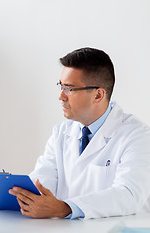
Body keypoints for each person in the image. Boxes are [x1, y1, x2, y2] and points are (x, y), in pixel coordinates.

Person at [9, 47, 150, 219]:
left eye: (69, 88)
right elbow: (42, 181)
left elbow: (129, 195)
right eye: (60, 86)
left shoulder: (138, 136)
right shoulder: (61, 132)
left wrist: (66, 208)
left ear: (98, 95)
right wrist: (18, 194)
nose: (61, 96)